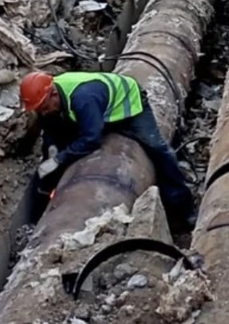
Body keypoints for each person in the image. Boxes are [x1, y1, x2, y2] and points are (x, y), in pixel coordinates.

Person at [20, 70, 196, 230]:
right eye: (38, 110)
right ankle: (39, 213)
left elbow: (91, 139)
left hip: (128, 104)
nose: (42, 113)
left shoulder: (84, 98)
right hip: (97, 108)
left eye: (44, 108)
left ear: (54, 94)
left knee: (158, 149)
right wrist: (51, 155)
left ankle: (183, 207)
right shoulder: (51, 96)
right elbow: (50, 130)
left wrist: (60, 158)